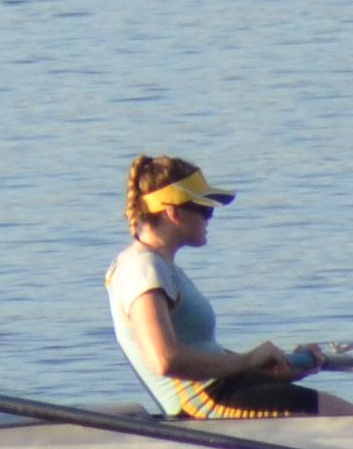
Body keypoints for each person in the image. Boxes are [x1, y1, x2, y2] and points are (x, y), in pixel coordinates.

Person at [105, 160, 329, 418]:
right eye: (204, 209)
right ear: (173, 212)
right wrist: (247, 361)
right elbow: (163, 359)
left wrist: (280, 365)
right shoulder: (142, 268)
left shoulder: (158, 266)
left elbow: (204, 352)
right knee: (350, 417)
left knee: (346, 411)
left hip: (222, 391)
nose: (210, 217)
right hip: (204, 402)